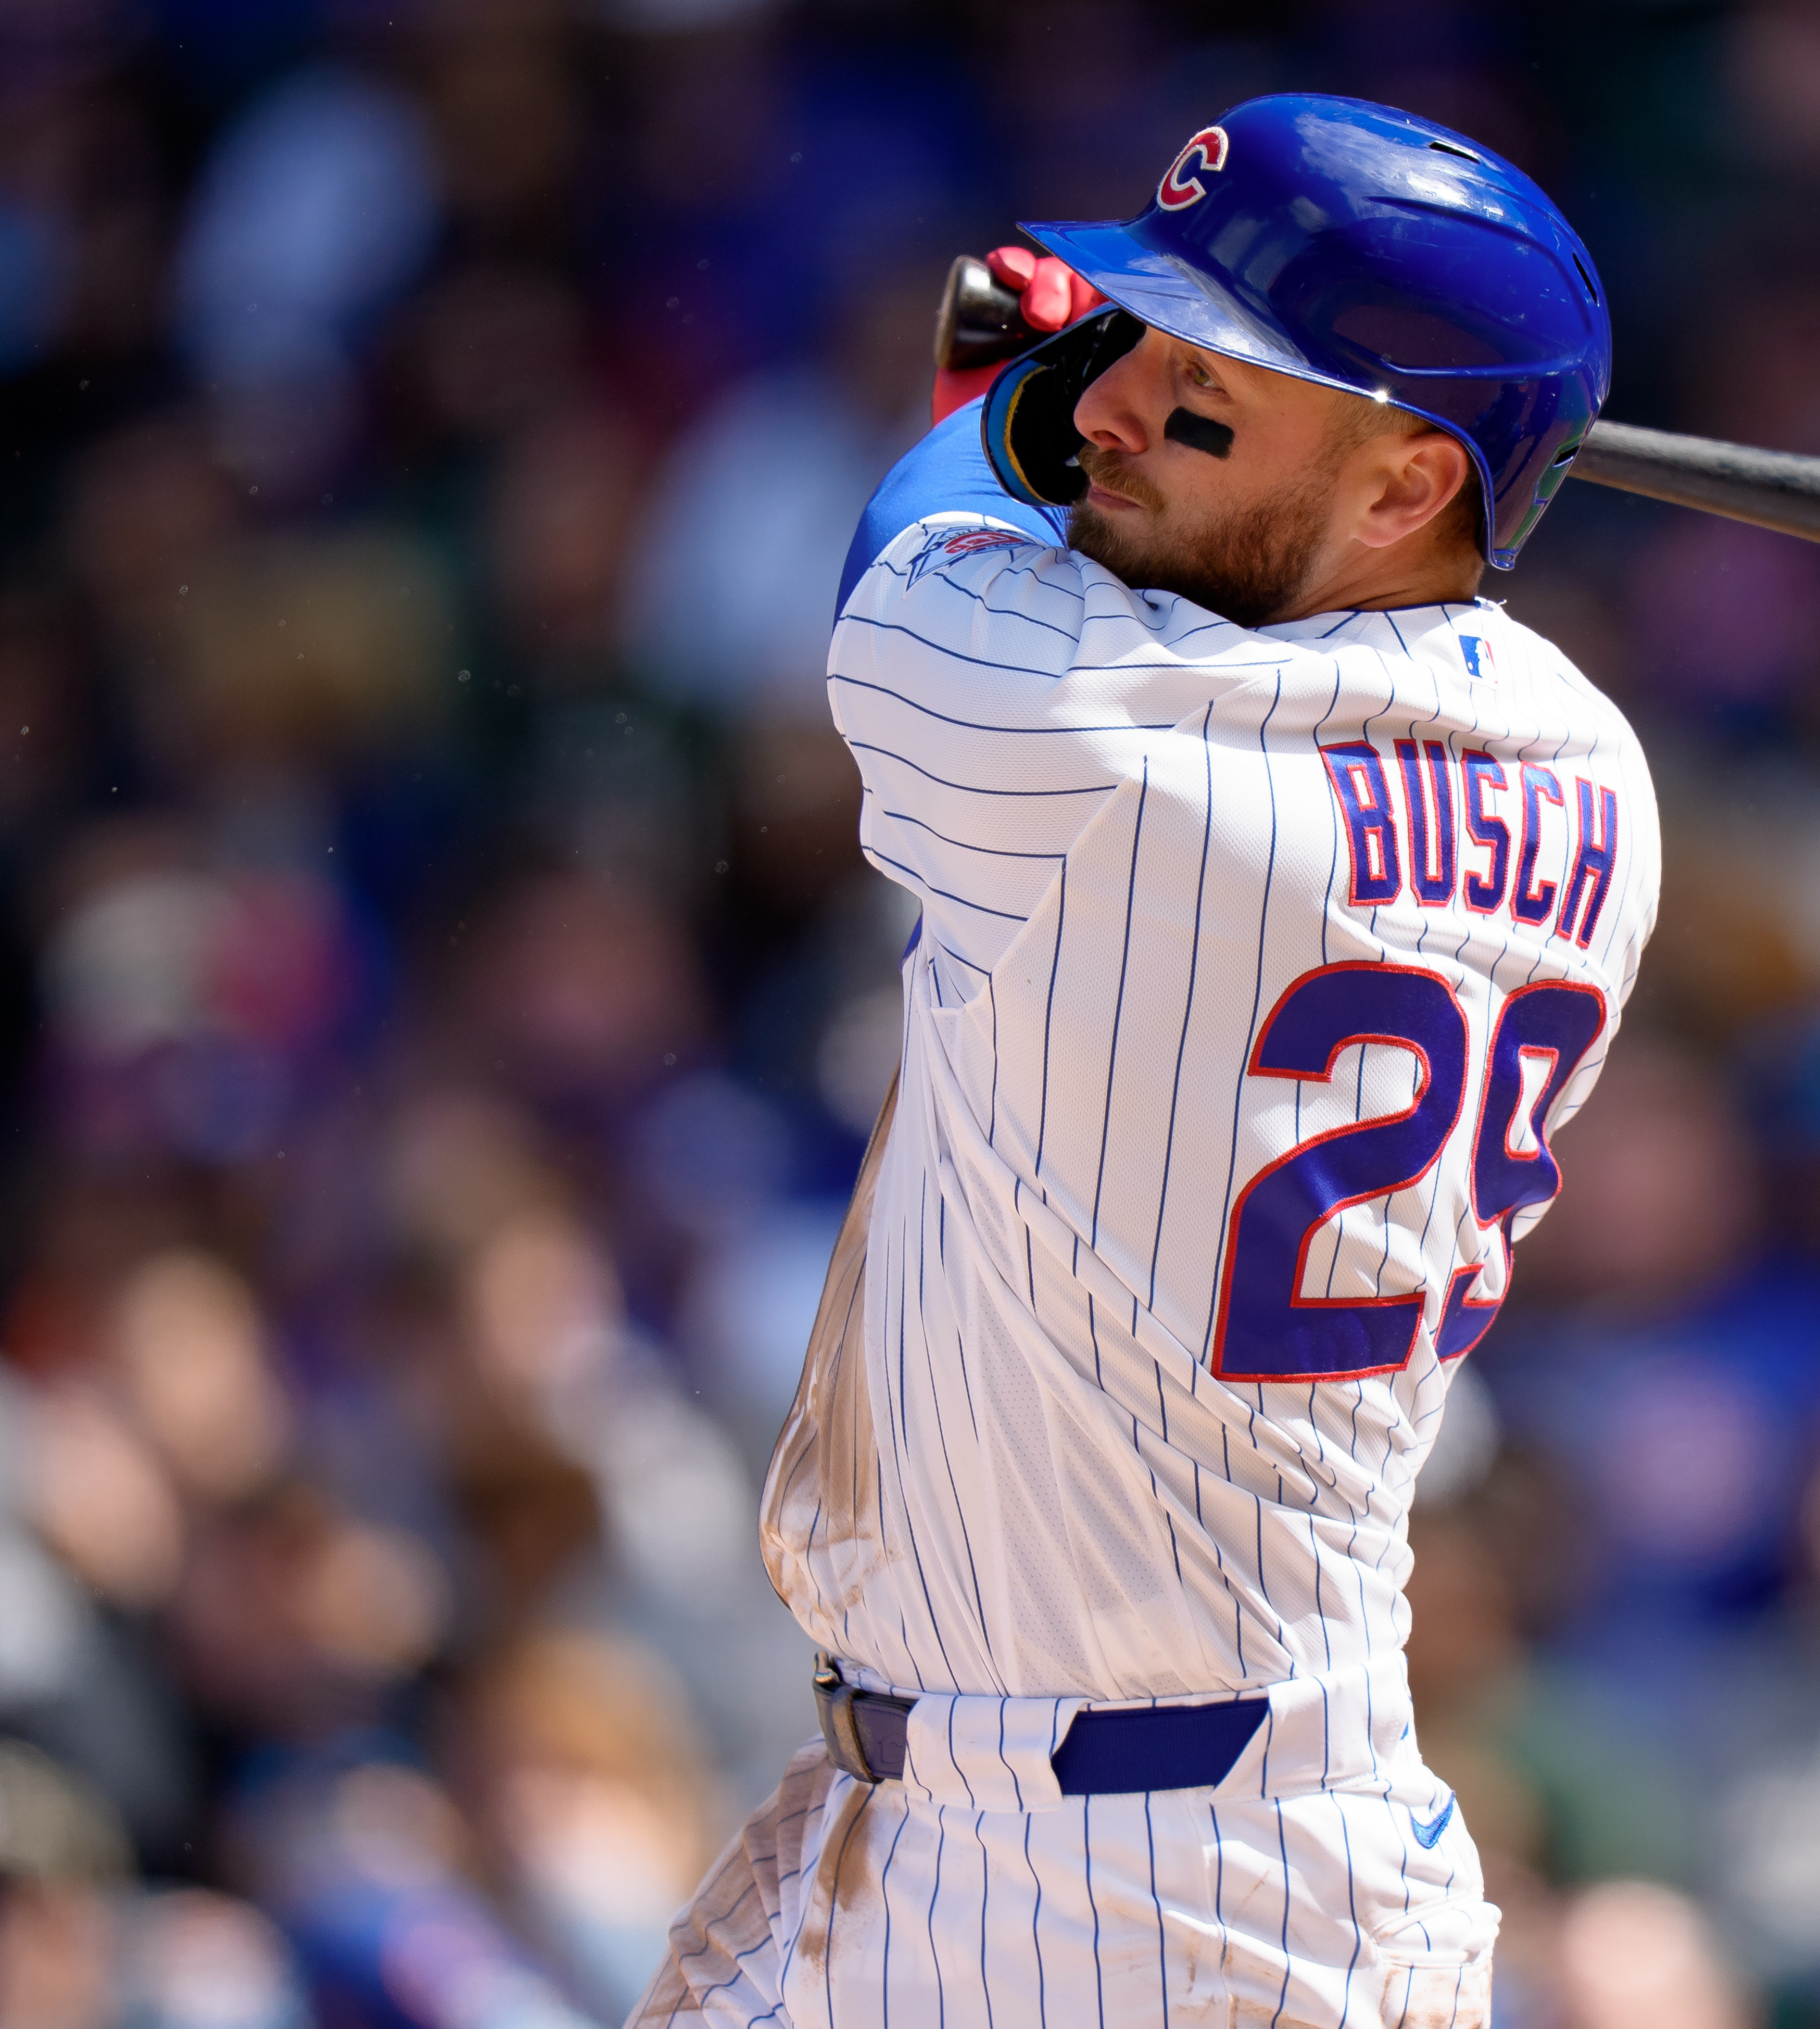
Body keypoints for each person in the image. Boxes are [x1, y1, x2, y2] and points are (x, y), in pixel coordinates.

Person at [631, 95, 1652, 2029]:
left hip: (1152, 1910)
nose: (1108, 405)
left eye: (1200, 384)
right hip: (1111, 1814)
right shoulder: (1597, 769)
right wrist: (1146, 378)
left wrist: (1003, 384)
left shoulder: (1103, 759)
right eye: (1136, 346)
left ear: (1400, 482)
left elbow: (925, 530)